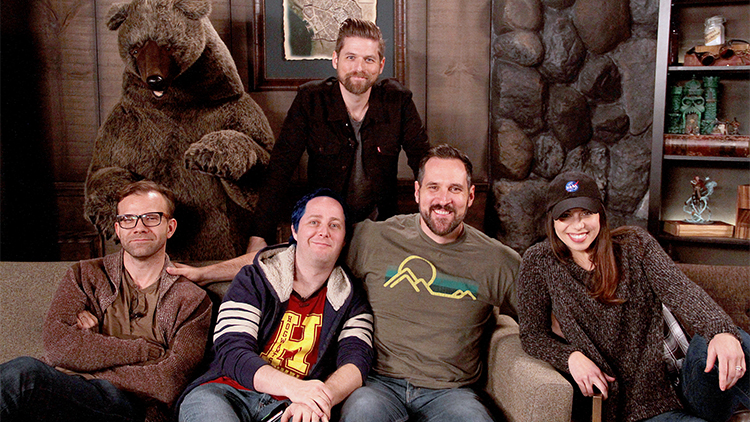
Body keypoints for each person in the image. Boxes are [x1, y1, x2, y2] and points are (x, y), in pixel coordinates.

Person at [167, 17, 430, 284]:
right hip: (323, 227)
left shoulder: (398, 102)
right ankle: (202, 274)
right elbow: (280, 170)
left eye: (369, 60)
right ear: (335, 59)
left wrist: (431, 220)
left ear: (381, 65)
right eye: (351, 57)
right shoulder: (311, 100)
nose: (359, 68)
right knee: (267, 266)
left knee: (399, 280)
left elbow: (425, 164)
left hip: (376, 230)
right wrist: (259, 234)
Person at [516, 171, 749, 422]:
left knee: (730, 338)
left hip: (689, 383)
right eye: (565, 216)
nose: (578, 225)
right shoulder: (539, 262)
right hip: (640, 408)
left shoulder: (635, 245)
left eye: (586, 213)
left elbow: (682, 291)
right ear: (552, 221)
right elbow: (532, 335)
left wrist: (721, 331)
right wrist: (571, 357)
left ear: (600, 214)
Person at [0, 180, 213, 422]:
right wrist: (143, 351)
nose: (139, 227)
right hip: (62, 391)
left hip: (129, 406)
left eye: (151, 218)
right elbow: (57, 345)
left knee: (24, 375)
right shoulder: (84, 275)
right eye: (128, 219)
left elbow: (167, 382)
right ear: (118, 229)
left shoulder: (192, 300)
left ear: (170, 227)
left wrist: (87, 353)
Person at [339, 144, 521, 422]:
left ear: (471, 196)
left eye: (455, 189)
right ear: (417, 192)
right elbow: (312, 260)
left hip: (452, 393)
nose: (443, 200)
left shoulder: (497, 260)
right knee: (360, 412)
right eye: (433, 187)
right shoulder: (372, 238)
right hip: (378, 385)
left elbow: (545, 315)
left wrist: (572, 355)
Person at [178, 188, 374, 422]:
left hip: (291, 405)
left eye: (335, 225)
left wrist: (319, 399)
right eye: (314, 222)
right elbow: (232, 351)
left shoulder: (352, 296)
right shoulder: (254, 279)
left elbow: (357, 361)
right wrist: (297, 389)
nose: (324, 232)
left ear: (344, 240)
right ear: (295, 230)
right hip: (224, 391)